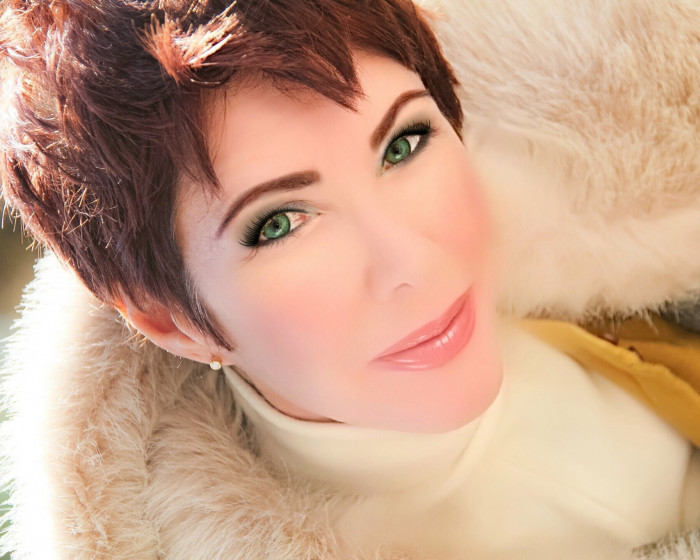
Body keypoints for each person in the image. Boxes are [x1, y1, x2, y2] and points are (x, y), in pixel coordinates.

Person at [1, 1, 699, 559]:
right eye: (280, 223)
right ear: (170, 322)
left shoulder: (611, 221)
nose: (412, 263)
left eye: (404, 143)